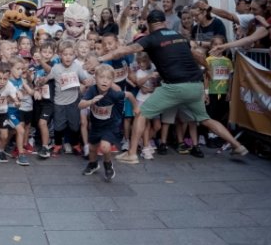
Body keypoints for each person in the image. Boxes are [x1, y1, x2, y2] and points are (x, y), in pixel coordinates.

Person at [101, 10, 248, 164]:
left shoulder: (150, 38)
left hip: (174, 87)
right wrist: (208, 69)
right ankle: (237, 145)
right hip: (195, 86)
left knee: (142, 114)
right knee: (205, 119)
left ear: (150, 26)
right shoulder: (179, 36)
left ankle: (131, 154)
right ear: (165, 23)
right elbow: (197, 55)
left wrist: (101, 58)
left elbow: (127, 49)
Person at [80, 64, 139, 181]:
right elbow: (80, 104)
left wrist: (136, 107)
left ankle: (108, 164)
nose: (104, 81)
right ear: (95, 79)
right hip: (96, 125)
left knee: (105, 147)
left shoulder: (114, 94)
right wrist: (90, 101)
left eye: (108, 78)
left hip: (111, 125)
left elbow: (130, 95)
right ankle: (93, 164)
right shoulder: (92, 90)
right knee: (92, 148)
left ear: (112, 81)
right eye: (101, 77)